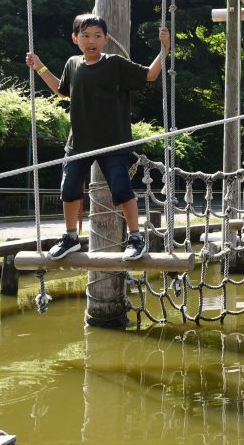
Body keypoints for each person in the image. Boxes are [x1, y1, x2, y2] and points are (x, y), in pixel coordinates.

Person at [26, 14, 171, 261]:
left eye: (97, 36)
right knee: (69, 189)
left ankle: (135, 237)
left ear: (106, 39)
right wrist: (39, 66)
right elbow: (61, 91)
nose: (91, 41)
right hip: (79, 143)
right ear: (75, 39)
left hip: (114, 142)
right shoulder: (72, 63)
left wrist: (165, 49)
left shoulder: (115, 63)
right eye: (85, 36)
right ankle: (71, 237)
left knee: (122, 189)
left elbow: (150, 75)